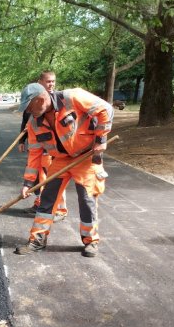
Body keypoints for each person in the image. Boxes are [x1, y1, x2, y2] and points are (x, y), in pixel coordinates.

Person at [14, 83, 113, 258]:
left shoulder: (72, 97)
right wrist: (28, 182)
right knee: (47, 199)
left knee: (86, 200)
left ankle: (91, 241)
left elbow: (105, 109)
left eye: (30, 106)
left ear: (42, 99)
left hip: (86, 157)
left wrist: (101, 138)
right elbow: (35, 154)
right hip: (60, 160)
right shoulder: (34, 124)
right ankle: (37, 240)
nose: (29, 111)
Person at [18, 71, 68, 220]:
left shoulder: (57, 102)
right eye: (48, 82)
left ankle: (60, 209)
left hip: (52, 150)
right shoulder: (31, 101)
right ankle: (40, 202)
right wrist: (22, 140)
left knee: (53, 179)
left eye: (53, 81)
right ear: (40, 83)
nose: (51, 84)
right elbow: (27, 122)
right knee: (40, 178)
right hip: (38, 146)